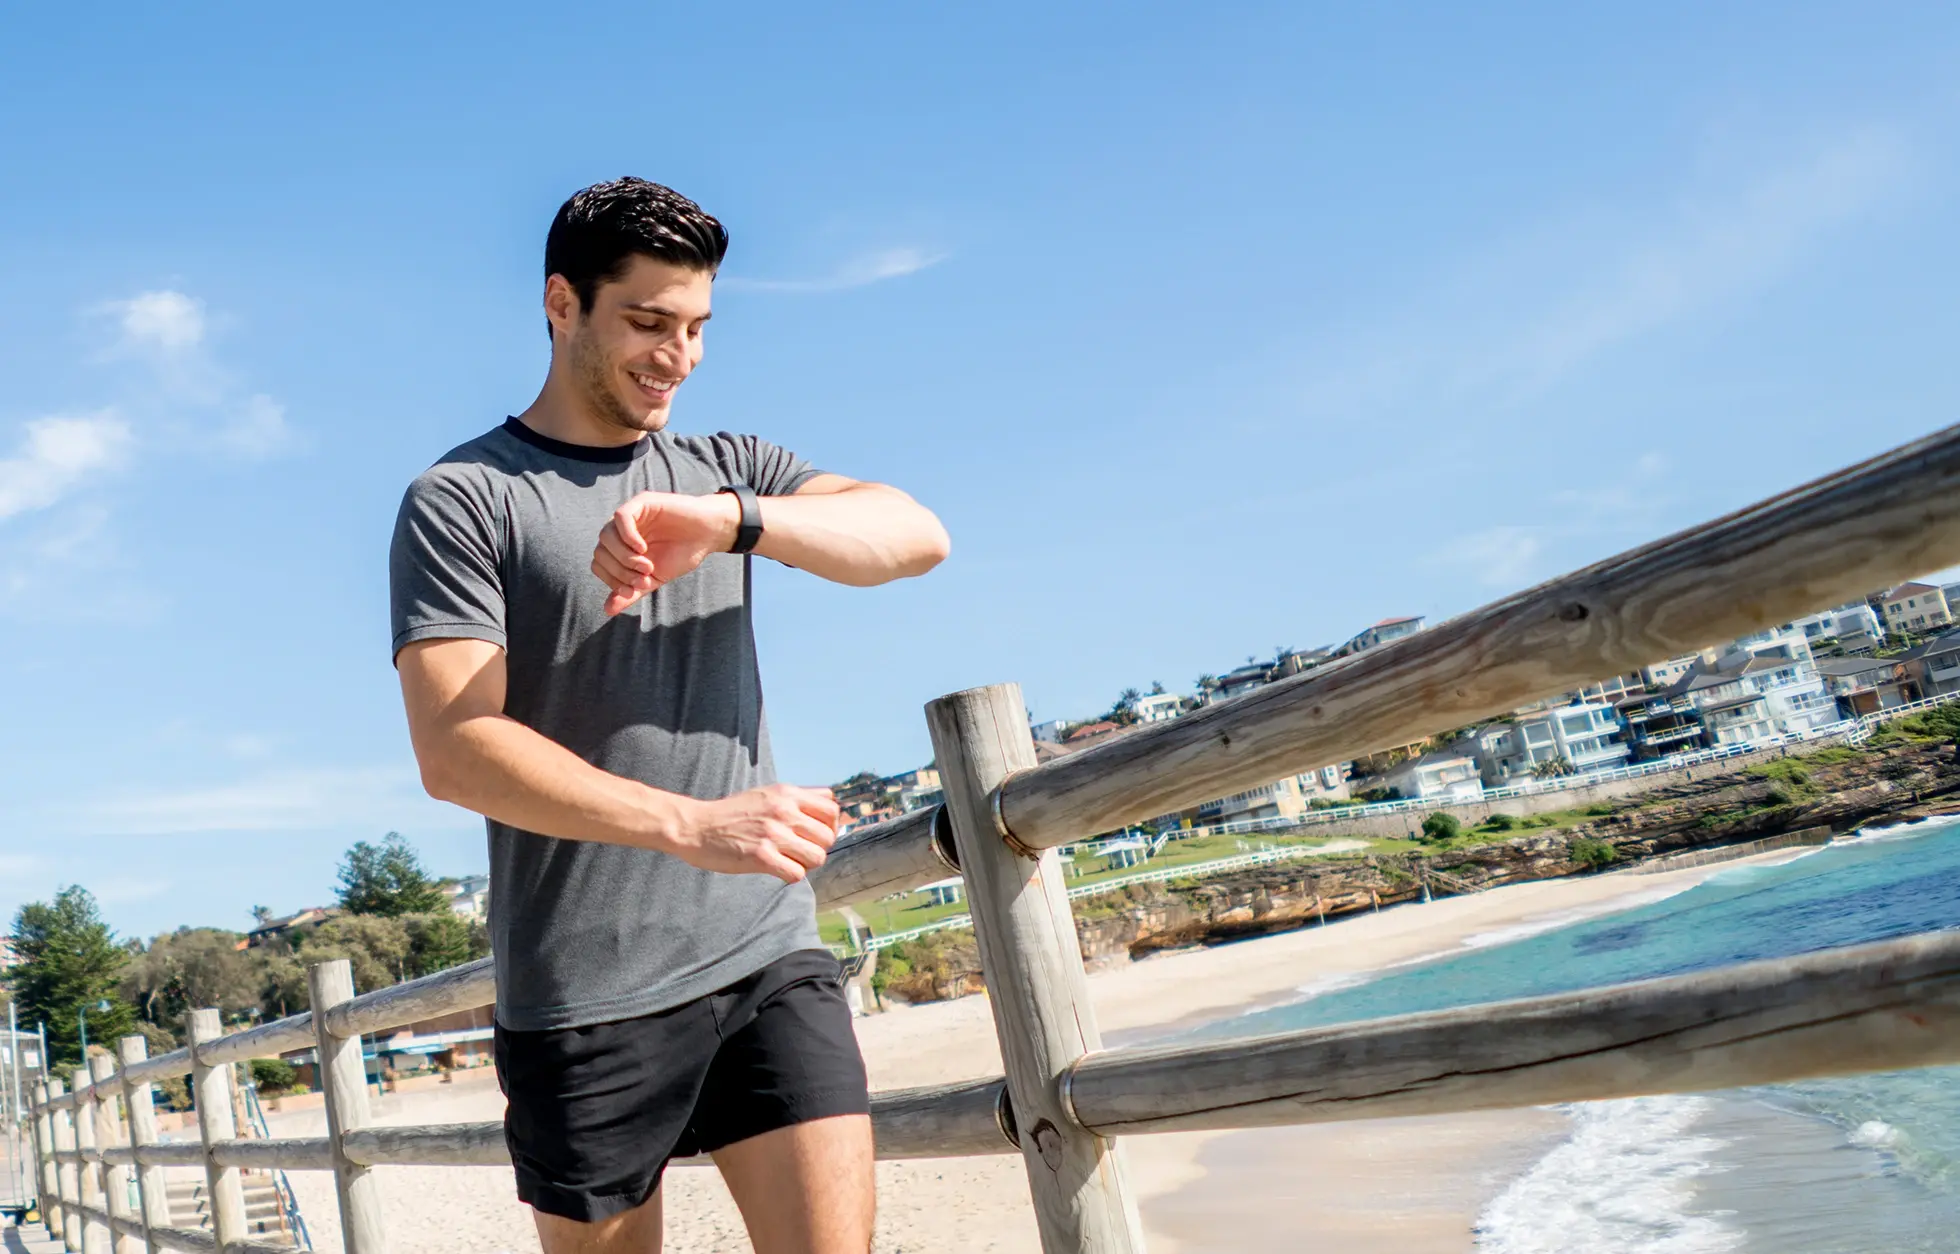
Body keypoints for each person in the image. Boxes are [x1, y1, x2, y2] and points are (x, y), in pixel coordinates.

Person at [389, 177, 950, 1253]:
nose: (677, 355)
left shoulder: (724, 472)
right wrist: (692, 826)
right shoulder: (466, 497)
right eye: (647, 322)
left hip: (764, 959)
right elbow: (456, 749)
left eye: (696, 327)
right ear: (563, 305)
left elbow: (915, 535)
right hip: (583, 998)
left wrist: (729, 522)